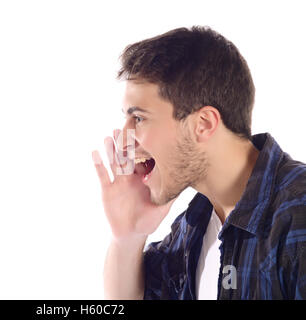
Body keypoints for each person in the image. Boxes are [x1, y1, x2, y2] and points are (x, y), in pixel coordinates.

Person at [91, 26, 306, 300]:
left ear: (203, 124)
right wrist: (128, 236)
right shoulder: (194, 225)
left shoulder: (298, 213)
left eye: (139, 118)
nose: (123, 142)